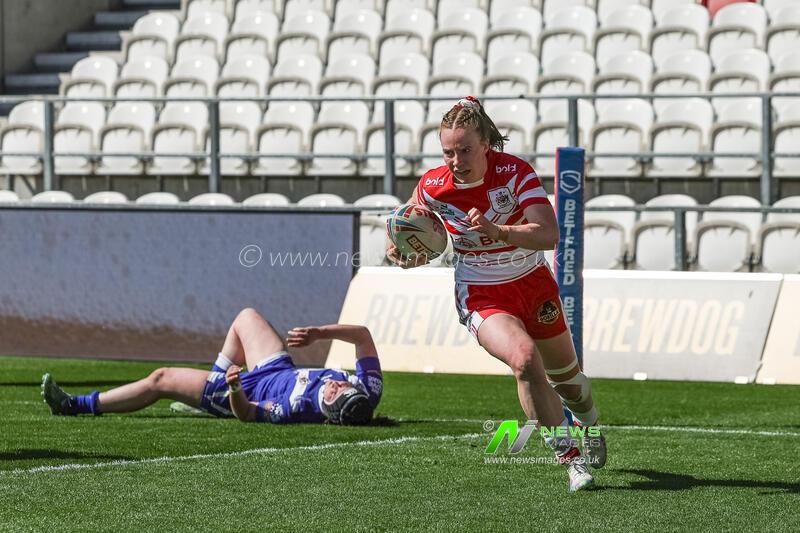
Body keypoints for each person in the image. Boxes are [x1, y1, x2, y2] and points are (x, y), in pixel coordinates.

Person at [387, 96, 605, 491]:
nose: (456, 160)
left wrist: (499, 231)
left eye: (465, 150)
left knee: (570, 381)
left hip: (531, 282)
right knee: (523, 360)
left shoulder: (515, 173)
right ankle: (570, 460)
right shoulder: (433, 186)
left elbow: (549, 234)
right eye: (448, 152)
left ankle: (589, 426)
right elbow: (416, 232)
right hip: (481, 291)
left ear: (485, 143)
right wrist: (405, 252)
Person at [41, 308, 383, 425]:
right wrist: (319, 334)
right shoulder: (367, 392)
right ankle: (208, 384)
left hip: (245, 390)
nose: (336, 385)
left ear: (329, 415)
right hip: (277, 369)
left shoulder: (294, 409)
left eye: (334, 394)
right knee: (246, 317)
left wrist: (233, 388)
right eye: (343, 386)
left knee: (161, 379)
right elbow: (363, 336)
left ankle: (75, 405)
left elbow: (247, 413)